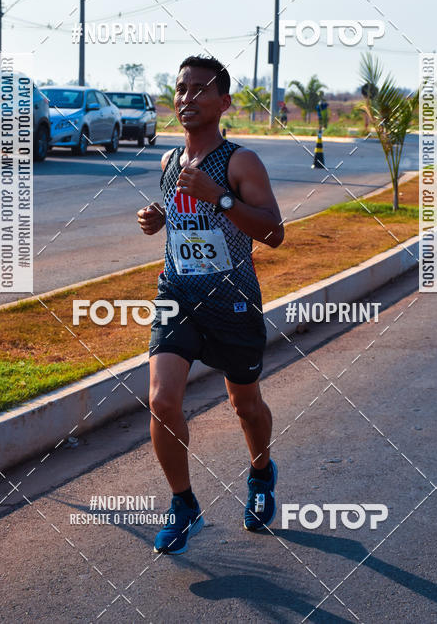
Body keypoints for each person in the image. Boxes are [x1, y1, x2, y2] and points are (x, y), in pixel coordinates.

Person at [137, 55, 284, 554]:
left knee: (244, 404)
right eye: (181, 89)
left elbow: (274, 233)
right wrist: (159, 219)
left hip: (233, 302)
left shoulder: (241, 162)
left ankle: (261, 474)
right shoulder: (169, 162)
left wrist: (220, 197)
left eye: (201, 90)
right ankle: (184, 505)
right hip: (176, 294)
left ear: (223, 103)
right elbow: (183, 216)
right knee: (161, 400)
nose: (187, 98)